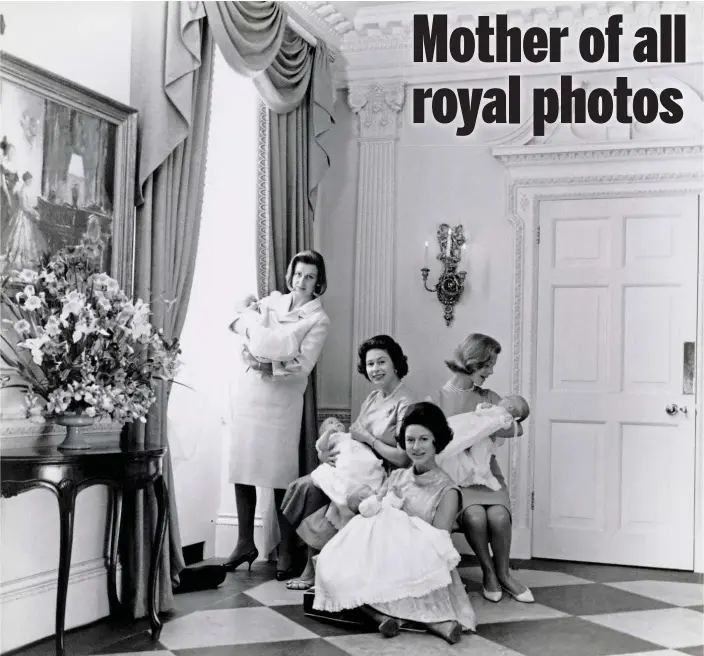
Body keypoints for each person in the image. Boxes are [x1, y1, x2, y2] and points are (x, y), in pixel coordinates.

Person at [314, 402, 476, 644]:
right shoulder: (398, 476)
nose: (416, 447)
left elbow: (439, 544)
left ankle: (433, 622)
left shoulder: (448, 490)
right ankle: (381, 617)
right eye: (410, 440)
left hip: (423, 561)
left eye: (423, 439)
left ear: (436, 442)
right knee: (333, 569)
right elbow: (376, 514)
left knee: (380, 584)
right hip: (386, 553)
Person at [226, 250, 330, 580]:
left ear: (319, 282)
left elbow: (303, 364)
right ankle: (244, 542)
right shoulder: (272, 302)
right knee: (243, 467)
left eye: (309, 276)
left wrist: (265, 362)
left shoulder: (318, 319)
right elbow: (240, 324)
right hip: (251, 393)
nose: (302, 281)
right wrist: (252, 340)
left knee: (279, 475)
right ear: (290, 275)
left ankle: (286, 549)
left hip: (283, 399)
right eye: (298, 274)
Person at [282, 334, 414, 590]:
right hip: (357, 466)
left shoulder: (406, 403)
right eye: (370, 364)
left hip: (385, 476)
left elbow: (403, 457)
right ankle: (314, 563)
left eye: (381, 362)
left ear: (395, 363)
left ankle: (317, 569)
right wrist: (326, 454)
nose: (375, 369)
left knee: (328, 492)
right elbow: (353, 439)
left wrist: (370, 440)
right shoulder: (374, 398)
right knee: (305, 486)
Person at [428, 333, 534, 603]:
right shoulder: (437, 398)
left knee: (498, 516)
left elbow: (516, 427)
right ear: (471, 362)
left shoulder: (489, 397)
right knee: (475, 517)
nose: (491, 371)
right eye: (487, 365)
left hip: (486, 473)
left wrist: (489, 423)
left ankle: (504, 574)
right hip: (457, 477)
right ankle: (487, 572)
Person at [438, 395, 530, 491]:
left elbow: (482, 414)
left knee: (462, 442)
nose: (502, 399)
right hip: (479, 433)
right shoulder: (502, 416)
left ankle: (469, 470)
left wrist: (482, 407)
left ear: (510, 407)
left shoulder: (501, 413)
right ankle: (470, 470)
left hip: (479, 432)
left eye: (506, 399)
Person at [309, 416, 386, 529]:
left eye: (338, 421)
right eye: (330, 423)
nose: (336, 423)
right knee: (347, 473)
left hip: (362, 457)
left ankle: (374, 493)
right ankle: (359, 500)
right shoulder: (332, 438)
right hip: (347, 460)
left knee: (371, 468)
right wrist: (329, 433)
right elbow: (321, 447)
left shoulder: (351, 436)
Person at [4, 172, 48, 272]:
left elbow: (29, 205)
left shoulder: (26, 190)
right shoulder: (22, 191)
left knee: (31, 238)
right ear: (27, 180)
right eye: (30, 180)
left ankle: (30, 262)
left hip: (27, 215)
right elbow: (25, 207)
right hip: (24, 216)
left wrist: (34, 212)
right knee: (23, 238)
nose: (31, 182)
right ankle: (22, 262)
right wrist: (35, 213)